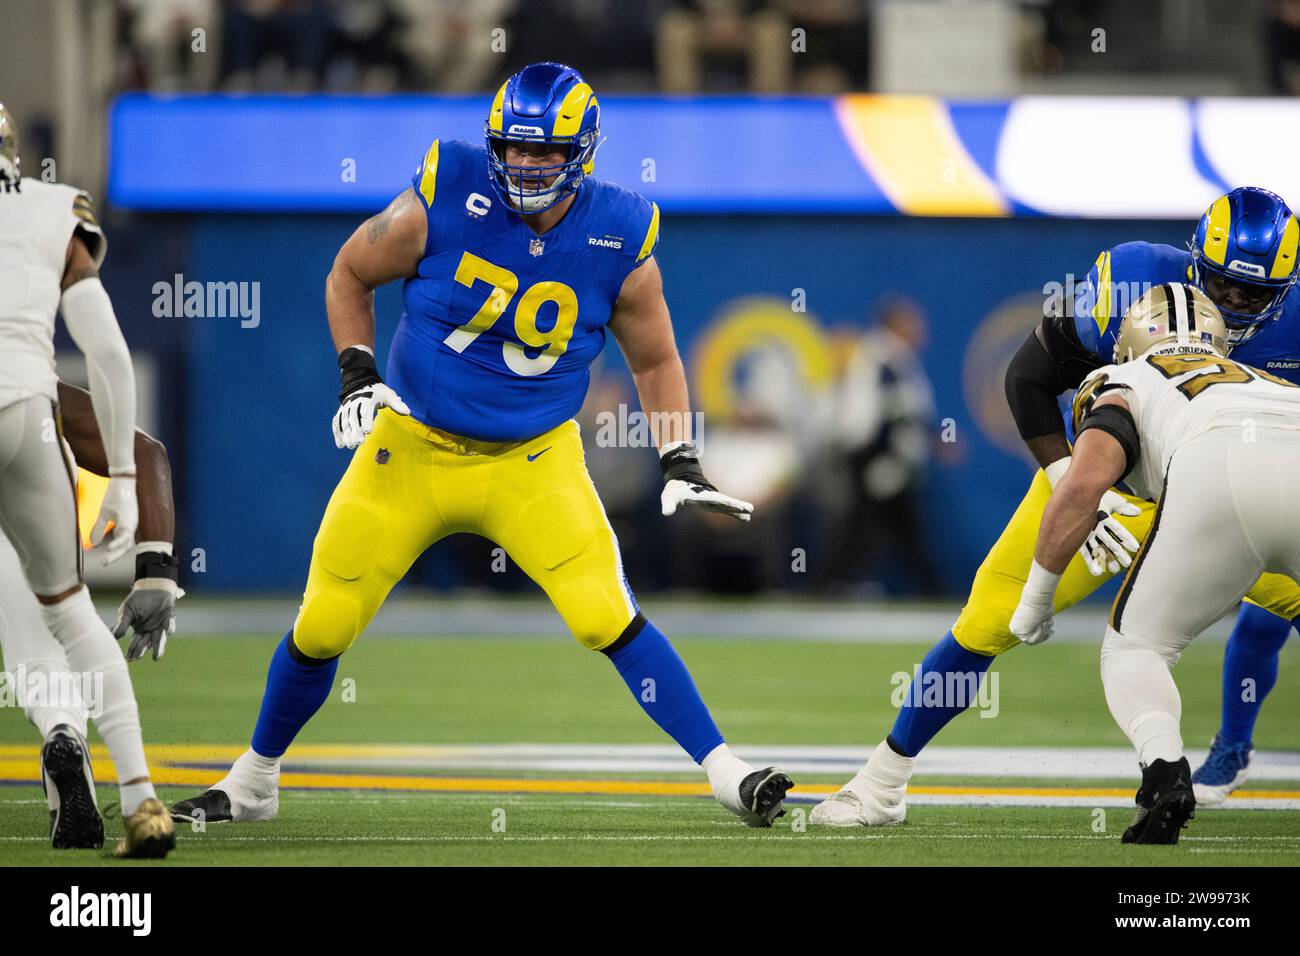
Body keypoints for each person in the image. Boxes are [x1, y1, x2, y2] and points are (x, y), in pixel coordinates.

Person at [172, 62, 793, 829]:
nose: (526, 166)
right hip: (412, 447)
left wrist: (679, 457)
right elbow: (348, 273)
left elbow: (657, 358)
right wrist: (357, 375)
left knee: (606, 613)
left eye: (545, 152)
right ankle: (255, 777)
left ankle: (724, 770)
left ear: (583, 151)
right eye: (514, 148)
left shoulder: (619, 230)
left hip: (531, 459)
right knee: (324, 622)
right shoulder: (447, 191)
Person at [811, 186, 1300, 827]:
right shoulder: (1135, 280)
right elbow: (1029, 375)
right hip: (1113, 476)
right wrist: (1076, 482)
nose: (1235, 306)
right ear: (1191, 261)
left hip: (1226, 493)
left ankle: (1218, 751)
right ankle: (880, 783)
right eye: (1223, 287)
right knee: (992, 616)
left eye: (1254, 294)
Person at [1010, 283, 1300, 843]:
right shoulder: (1276, 381)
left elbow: (1082, 486)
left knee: (1136, 649)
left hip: (1219, 478)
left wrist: (1036, 602)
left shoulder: (1126, 379)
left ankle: (1165, 773)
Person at [0, 103, 174, 857]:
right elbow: (105, 353)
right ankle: (141, 800)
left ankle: (61, 733)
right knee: (68, 610)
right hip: (30, 416)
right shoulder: (51, 209)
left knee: (18, 627)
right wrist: (126, 480)